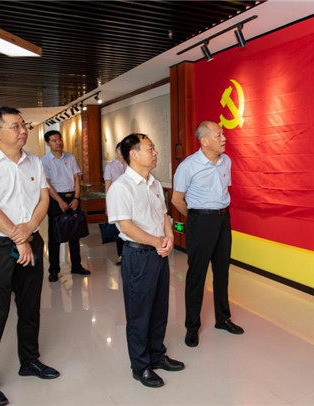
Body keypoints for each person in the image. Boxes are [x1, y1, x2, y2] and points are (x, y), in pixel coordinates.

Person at [0, 106, 59, 406]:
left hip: (31, 240)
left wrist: (29, 229)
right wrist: (17, 237)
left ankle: (29, 361)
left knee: (30, 307)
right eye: (15, 126)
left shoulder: (34, 161)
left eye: (24, 125)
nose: (23, 131)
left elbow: (43, 198)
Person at [106, 133, 184, 388]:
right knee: (139, 314)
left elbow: (163, 215)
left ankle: (157, 355)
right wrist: (157, 242)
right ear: (134, 155)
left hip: (158, 253)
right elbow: (126, 226)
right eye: (150, 148)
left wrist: (169, 236)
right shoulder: (121, 187)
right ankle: (140, 366)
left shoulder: (154, 183)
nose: (155, 152)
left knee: (160, 308)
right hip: (138, 255)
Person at [171, 120, 244, 348]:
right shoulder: (188, 166)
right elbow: (176, 199)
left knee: (222, 272)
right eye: (218, 135)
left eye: (222, 134)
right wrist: (195, 217)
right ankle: (192, 327)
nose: (224, 138)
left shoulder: (226, 161)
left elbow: (223, 191)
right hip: (200, 220)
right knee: (197, 275)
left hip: (223, 219)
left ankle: (223, 319)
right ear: (204, 141)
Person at [41, 130, 90, 282]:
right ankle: (54, 270)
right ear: (48, 143)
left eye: (59, 139)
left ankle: (76, 265)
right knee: (55, 235)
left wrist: (76, 198)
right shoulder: (44, 160)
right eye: (54, 140)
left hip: (72, 197)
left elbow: (77, 179)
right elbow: (47, 183)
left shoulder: (71, 157)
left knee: (75, 232)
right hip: (56, 199)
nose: (58, 142)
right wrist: (59, 201)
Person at [104, 142, 127, 264]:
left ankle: (130, 254)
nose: (121, 151)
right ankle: (121, 256)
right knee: (119, 228)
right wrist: (108, 205)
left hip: (130, 200)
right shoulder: (110, 166)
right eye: (119, 149)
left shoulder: (132, 164)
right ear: (116, 151)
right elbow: (108, 186)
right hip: (116, 200)